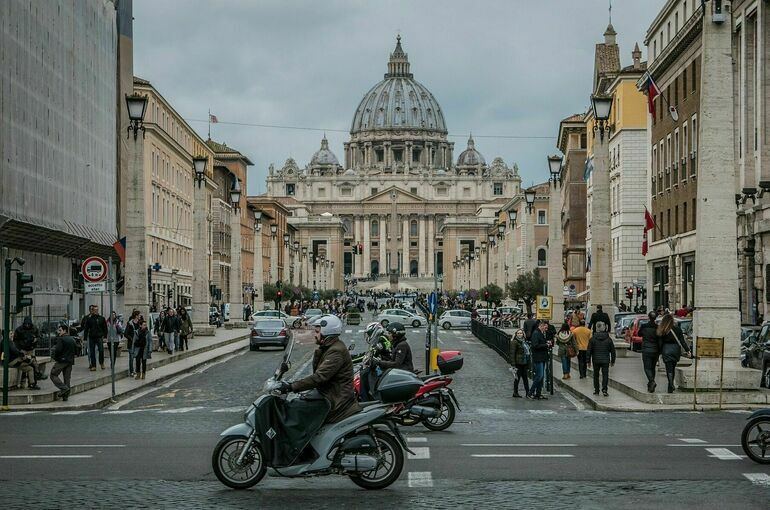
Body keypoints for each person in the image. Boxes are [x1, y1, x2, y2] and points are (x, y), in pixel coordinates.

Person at [278, 315, 362, 423]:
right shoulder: (329, 348)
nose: (315, 335)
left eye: (317, 332)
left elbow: (319, 377)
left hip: (336, 400)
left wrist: (291, 386)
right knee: (299, 403)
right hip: (330, 394)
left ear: (326, 333)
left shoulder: (335, 351)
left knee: (297, 410)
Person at [657, 314, 692, 393]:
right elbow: (682, 341)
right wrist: (687, 350)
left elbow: (660, 343)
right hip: (675, 350)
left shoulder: (662, 330)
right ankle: (671, 384)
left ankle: (670, 384)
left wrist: (659, 352)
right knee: (673, 367)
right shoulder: (677, 329)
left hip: (666, 349)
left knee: (668, 368)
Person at [587, 322, 616, 396]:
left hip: (595, 359)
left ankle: (596, 390)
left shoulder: (592, 339)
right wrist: (613, 360)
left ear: (596, 328)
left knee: (596, 375)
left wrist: (588, 361)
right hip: (605, 360)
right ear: (604, 328)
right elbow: (613, 351)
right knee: (605, 375)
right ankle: (604, 389)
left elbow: (589, 350)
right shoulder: (609, 339)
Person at [13, 316, 44, 382]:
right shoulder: (19, 329)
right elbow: (15, 340)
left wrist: (36, 339)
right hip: (22, 350)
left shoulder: (34, 328)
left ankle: (33, 381)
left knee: (32, 364)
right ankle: (24, 381)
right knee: (26, 365)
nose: (27, 325)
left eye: (28, 324)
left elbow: (40, 336)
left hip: (30, 349)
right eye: (26, 324)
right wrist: (19, 349)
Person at [50, 324, 77, 401]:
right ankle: (65, 396)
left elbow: (58, 350)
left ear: (64, 330)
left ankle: (64, 389)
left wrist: (56, 358)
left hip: (61, 361)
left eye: (60, 330)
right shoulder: (72, 339)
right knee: (67, 378)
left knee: (53, 374)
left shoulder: (61, 339)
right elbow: (76, 349)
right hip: (70, 361)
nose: (59, 332)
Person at [81, 305, 108, 371]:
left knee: (101, 350)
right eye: (94, 310)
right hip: (91, 337)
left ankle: (101, 362)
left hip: (99, 337)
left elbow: (105, 328)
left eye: (97, 310)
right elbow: (86, 329)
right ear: (92, 311)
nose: (96, 311)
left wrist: (105, 337)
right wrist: (84, 339)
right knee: (92, 352)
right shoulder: (89, 319)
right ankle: (93, 366)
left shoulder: (102, 318)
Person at [639, 311, 661, 392]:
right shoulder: (657, 327)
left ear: (649, 317)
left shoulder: (644, 326)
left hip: (646, 349)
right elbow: (660, 338)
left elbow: (639, 334)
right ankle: (650, 385)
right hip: (655, 350)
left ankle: (652, 381)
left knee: (647, 367)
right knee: (652, 367)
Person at [528, 321, 549, 400]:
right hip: (538, 357)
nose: (546, 329)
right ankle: (530, 392)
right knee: (539, 376)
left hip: (542, 357)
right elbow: (535, 345)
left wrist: (546, 343)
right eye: (545, 327)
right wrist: (546, 345)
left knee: (541, 376)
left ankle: (538, 393)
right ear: (541, 326)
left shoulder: (540, 333)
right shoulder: (536, 333)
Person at [509, 329, 531, 398]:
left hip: (524, 362)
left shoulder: (524, 342)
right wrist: (513, 364)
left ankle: (528, 393)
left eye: (521, 333)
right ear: (516, 334)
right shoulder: (514, 342)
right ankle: (515, 392)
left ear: (523, 334)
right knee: (517, 379)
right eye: (518, 333)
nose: (519, 334)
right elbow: (512, 353)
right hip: (518, 363)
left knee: (525, 379)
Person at [123, 310, 140, 376]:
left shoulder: (139, 323)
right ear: (136, 316)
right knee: (131, 358)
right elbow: (125, 334)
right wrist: (131, 338)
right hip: (131, 343)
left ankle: (137, 370)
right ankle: (131, 371)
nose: (140, 316)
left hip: (138, 343)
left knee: (138, 357)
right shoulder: (129, 324)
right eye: (139, 315)